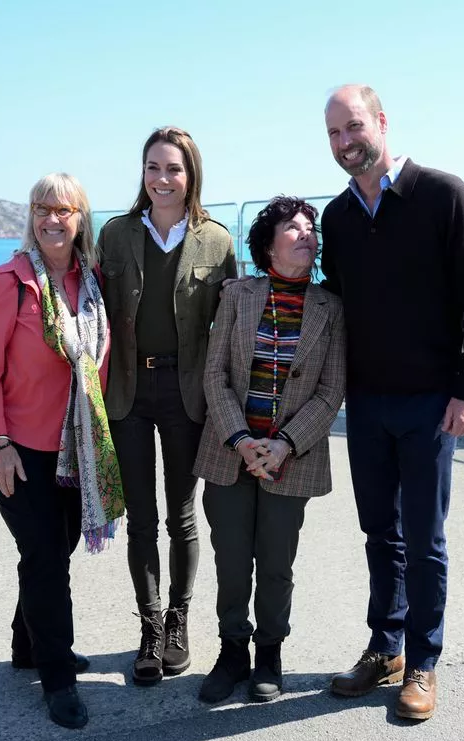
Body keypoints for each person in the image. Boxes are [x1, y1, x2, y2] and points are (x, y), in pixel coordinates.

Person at [321, 85, 464, 720]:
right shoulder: (337, 218)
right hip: (367, 405)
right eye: (334, 133)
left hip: (431, 404)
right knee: (379, 534)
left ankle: (423, 661)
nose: (345, 142)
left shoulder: (443, 195)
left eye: (353, 127)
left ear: (381, 122)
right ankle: (385, 647)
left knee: (424, 539)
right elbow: (334, 305)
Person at [0, 173, 124, 730]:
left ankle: (27, 646)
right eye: (42, 209)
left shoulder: (93, 282)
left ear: (81, 219)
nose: (51, 219)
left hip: (75, 446)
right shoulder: (9, 283)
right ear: (31, 217)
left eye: (63, 210)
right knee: (44, 557)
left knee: (53, 551)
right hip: (19, 448)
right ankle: (57, 677)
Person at [98, 126, 237, 686]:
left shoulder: (217, 242)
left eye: (173, 168)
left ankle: (179, 620)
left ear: (190, 174)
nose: (162, 179)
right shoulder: (115, 234)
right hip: (128, 393)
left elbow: (231, 328)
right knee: (141, 519)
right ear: (143, 173)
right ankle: (150, 627)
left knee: (182, 516)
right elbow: (87, 301)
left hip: (187, 395)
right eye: (153, 167)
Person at [194, 196, 346, 704]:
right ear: (268, 245)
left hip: (291, 458)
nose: (307, 235)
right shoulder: (238, 294)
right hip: (229, 452)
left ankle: (269, 653)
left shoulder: (330, 307)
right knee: (232, 560)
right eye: (293, 228)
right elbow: (215, 374)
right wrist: (241, 440)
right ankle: (232, 650)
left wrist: (283, 445)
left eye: (310, 229)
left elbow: (331, 391)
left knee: (277, 563)